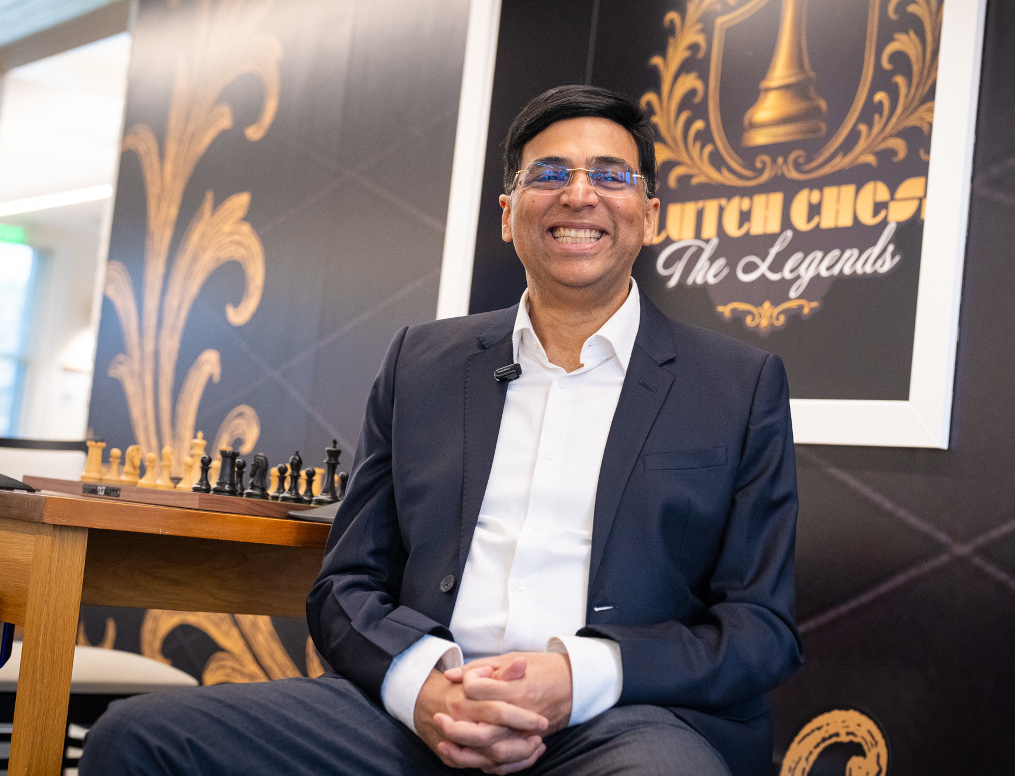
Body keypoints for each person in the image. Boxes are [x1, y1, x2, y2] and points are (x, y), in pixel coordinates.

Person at [80, 84, 802, 776]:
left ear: (649, 215)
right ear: (507, 213)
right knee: (139, 742)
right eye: (549, 173)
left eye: (611, 176)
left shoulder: (736, 386)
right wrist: (420, 684)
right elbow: (346, 584)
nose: (579, 194)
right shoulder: (421, 363)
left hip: (621, 719)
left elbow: (760, 628)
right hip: (420, 708)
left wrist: (579, 676)